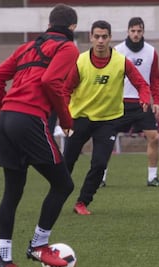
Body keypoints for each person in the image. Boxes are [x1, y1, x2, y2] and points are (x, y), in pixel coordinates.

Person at [0, 4, 79, 267]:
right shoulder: (68, 49)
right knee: (64, 184)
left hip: (7, 120)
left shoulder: (27, 47)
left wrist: (4, 115)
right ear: (73, 28)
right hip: (29, 119)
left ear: (50, 24)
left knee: (13, 191)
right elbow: (52, 80)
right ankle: (38, 244)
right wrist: (66, 119)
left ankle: (4, 257)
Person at [63, 20, 151, 216]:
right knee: (67, 161)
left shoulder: (121, 61)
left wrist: (145, 98)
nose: (101, 41)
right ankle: (57, 194)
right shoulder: (81, 61)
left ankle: (82, 202)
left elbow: (142, 84)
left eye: (104, 37)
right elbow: (65, 90)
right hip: (81, 118)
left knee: (100, 164)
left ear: (110, 38)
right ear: (91, 38)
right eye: (97, 37)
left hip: (109, 120)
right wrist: (65, 118)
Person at [101, 17, 159, 187]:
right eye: (133, 31)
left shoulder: (151, 51)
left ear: (143, 32)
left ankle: (152, 177)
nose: (136, 34)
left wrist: (157, 101)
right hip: (120, 103)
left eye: (139, 31)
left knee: (154, 138)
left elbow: (155, 79)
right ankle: (100, 178)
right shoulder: (117, 51)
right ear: (128, 31)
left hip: (143, 103)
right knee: (106, 139)